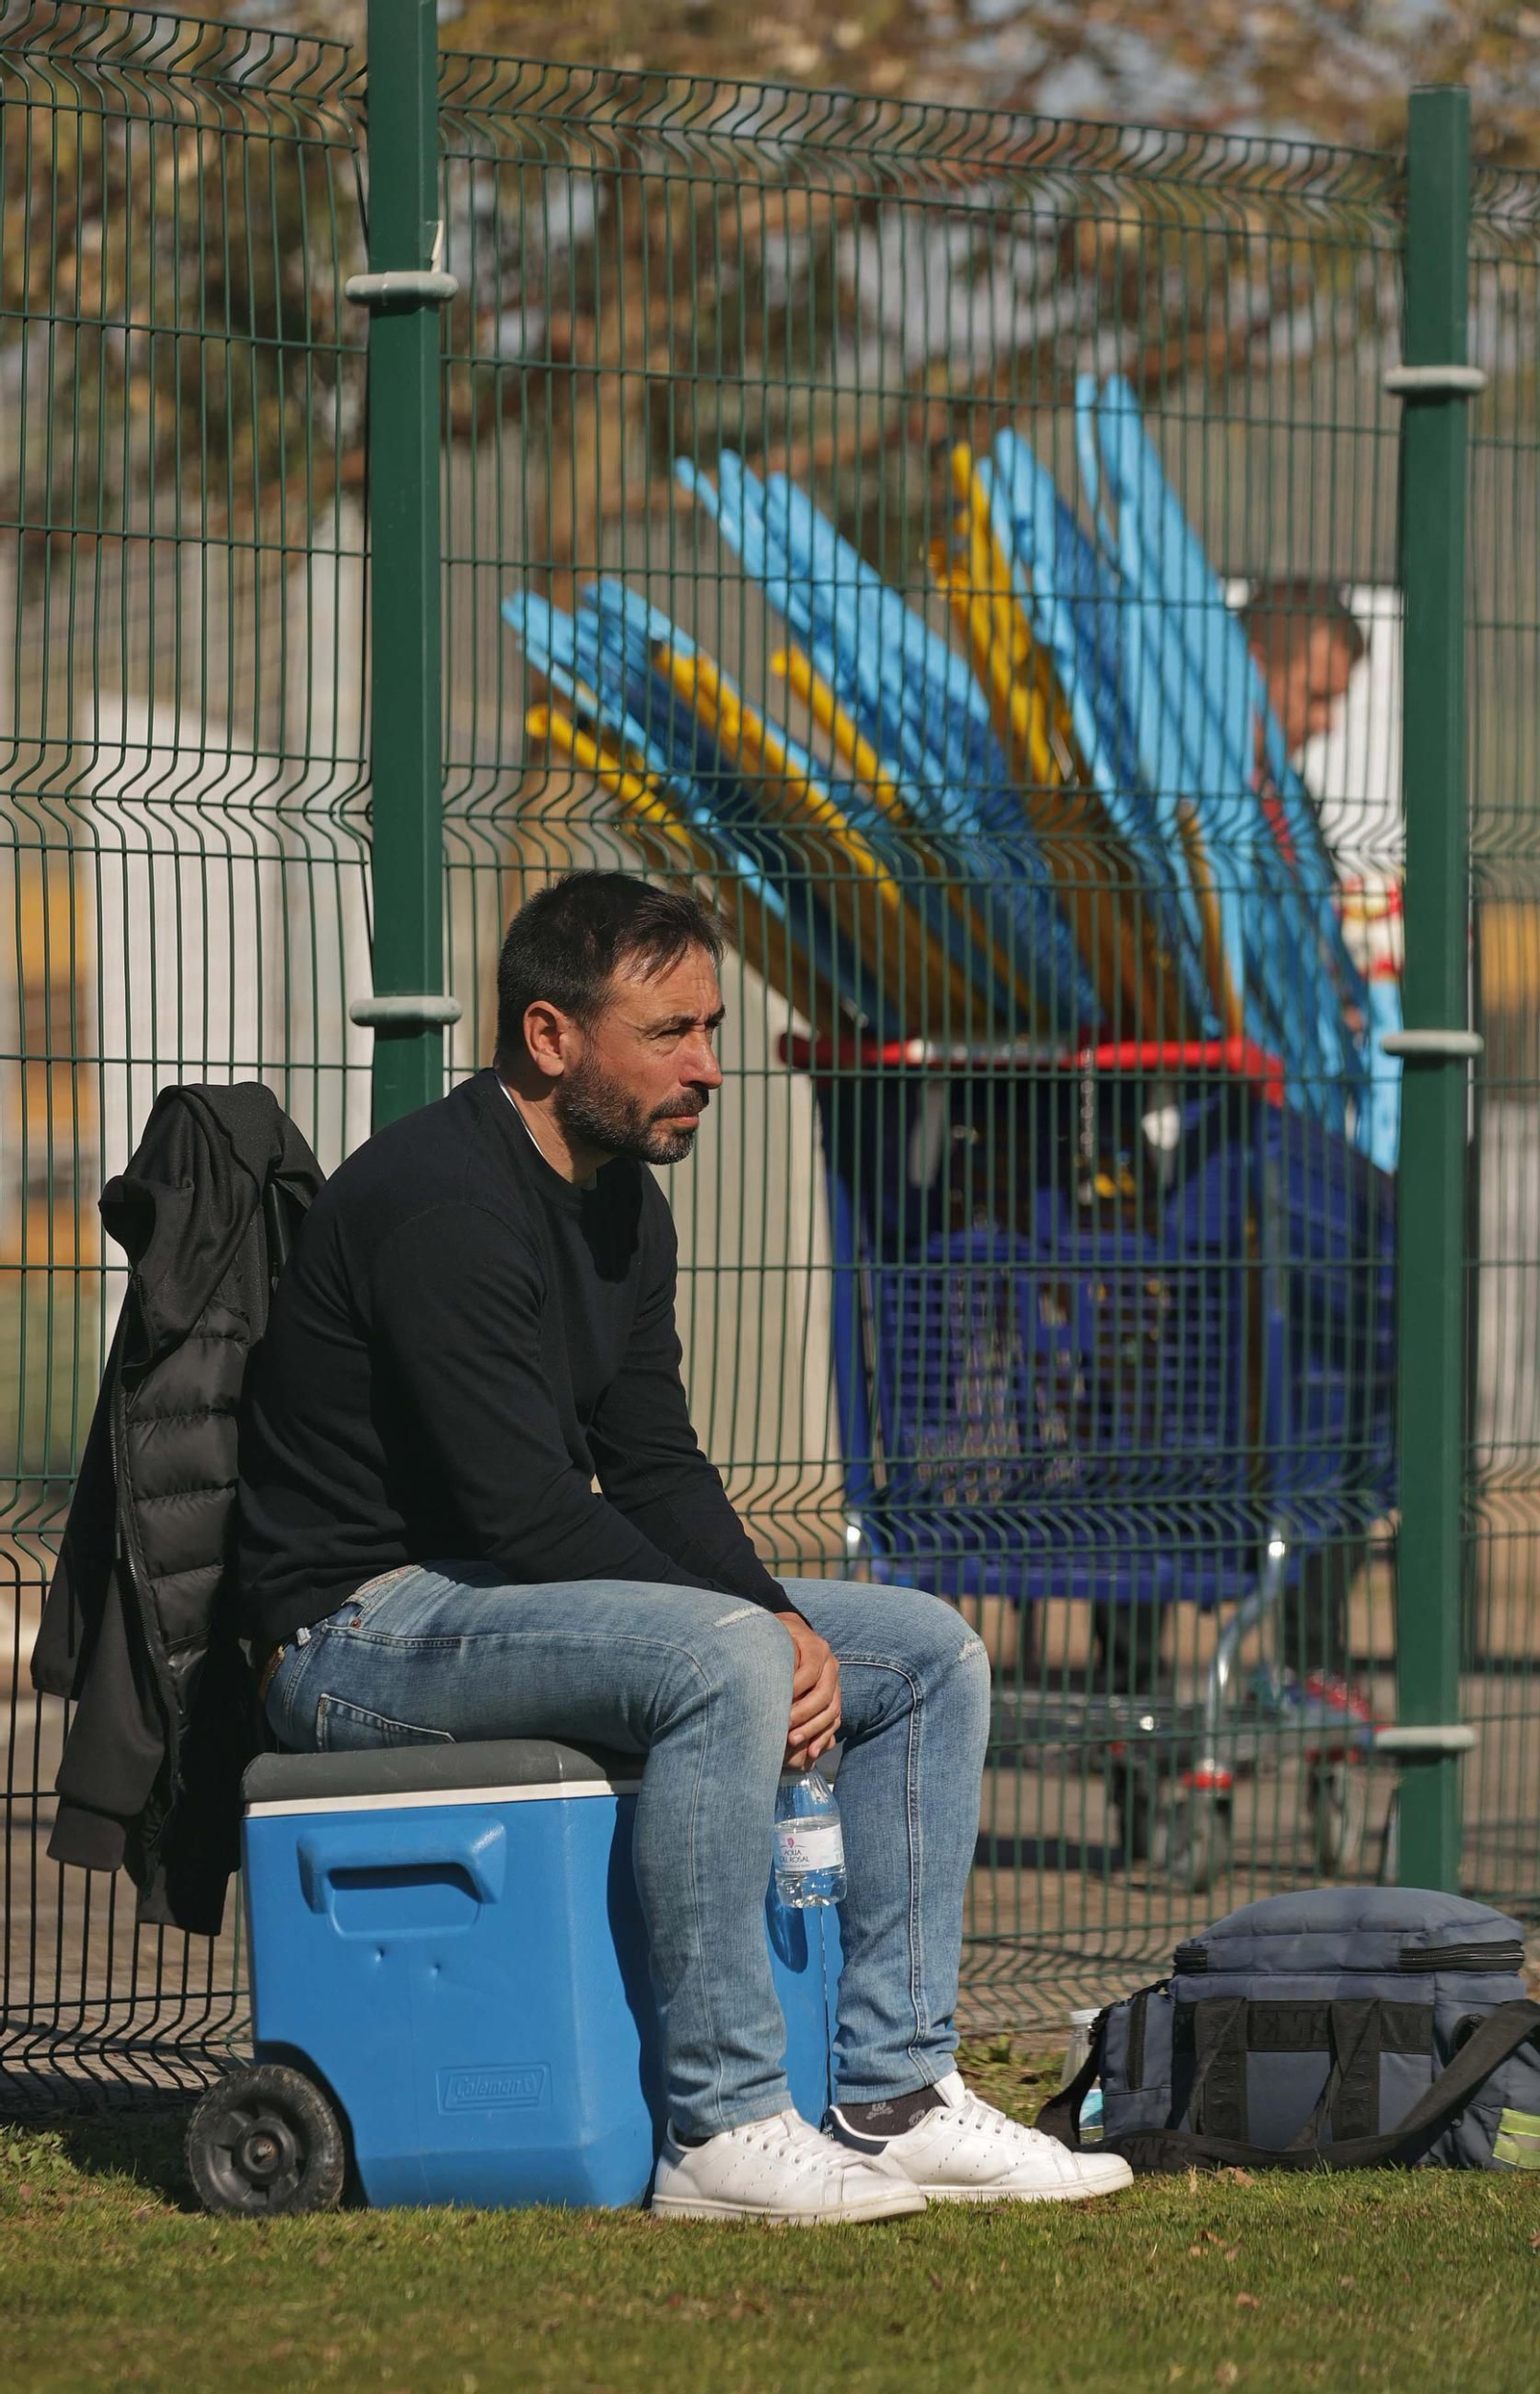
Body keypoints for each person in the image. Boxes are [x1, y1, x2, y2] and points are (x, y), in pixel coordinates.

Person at [234, 870, 1132, 2225]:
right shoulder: (439, 1203)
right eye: (670, 1034)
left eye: (710, 1031)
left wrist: (793, 1624)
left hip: (488, 1598)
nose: (710, 1069)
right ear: (550, 1038)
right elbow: (524, 1510)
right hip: (358, 1633)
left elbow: (653, 1464)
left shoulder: (623, 1203)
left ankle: (891, 2093)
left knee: (928, 1654)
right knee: (721, 1657)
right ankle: (721, 2125)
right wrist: (754, 1638)